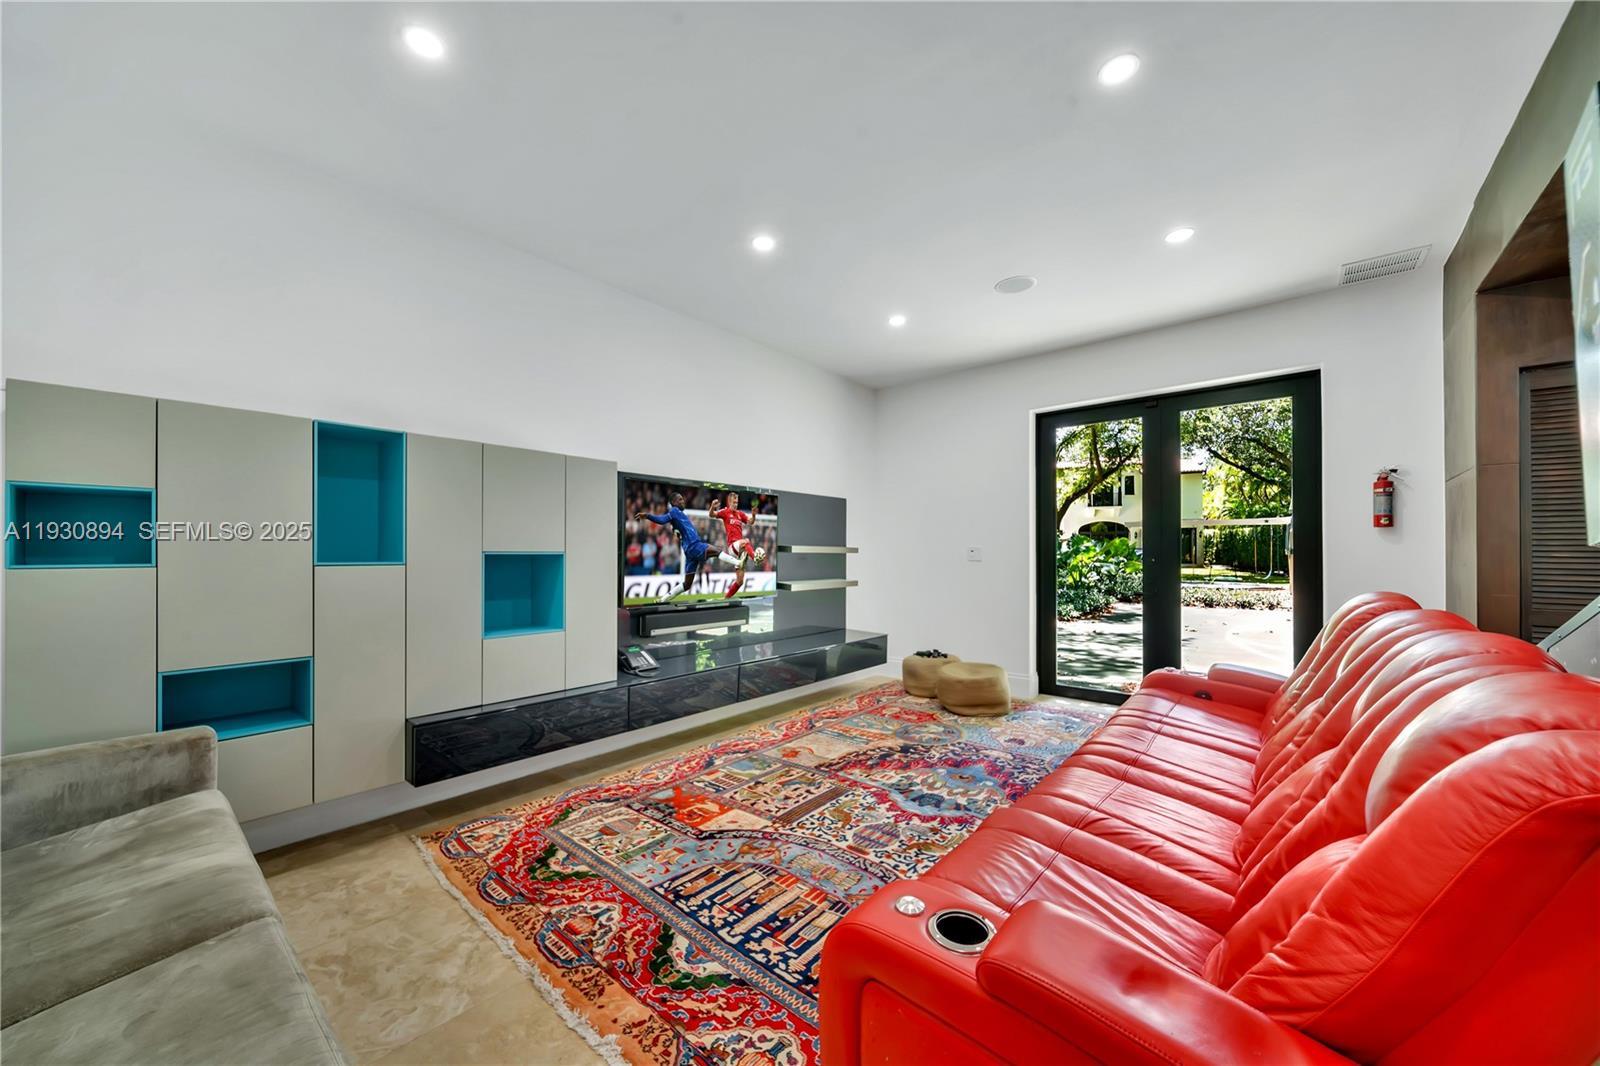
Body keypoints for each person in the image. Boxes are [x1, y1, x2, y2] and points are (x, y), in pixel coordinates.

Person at [633, 491, 714, 603]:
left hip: (691, 549)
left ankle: (664, 599)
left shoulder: (681, 519)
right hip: (693, 549)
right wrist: (647, 516)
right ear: (673, 502)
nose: (683, 501)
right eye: (680, 499)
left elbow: (676, 531)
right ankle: (702, 590)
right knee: (697, 575)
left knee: (691, 581)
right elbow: (663, 521)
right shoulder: (674, 514)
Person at [709, 491, 766, 599]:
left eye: (737, 502)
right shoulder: (725, 512)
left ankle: (725, 599)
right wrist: (712, 506)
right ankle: (755, 557)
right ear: (729, 502)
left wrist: (754, 515)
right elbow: (711, 514)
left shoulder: (740, 514)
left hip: (741, 549)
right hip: (733, 546)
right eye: (734, 502)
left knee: (740, 581)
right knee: (746, 541)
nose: (736, 504)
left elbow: (751, 522)